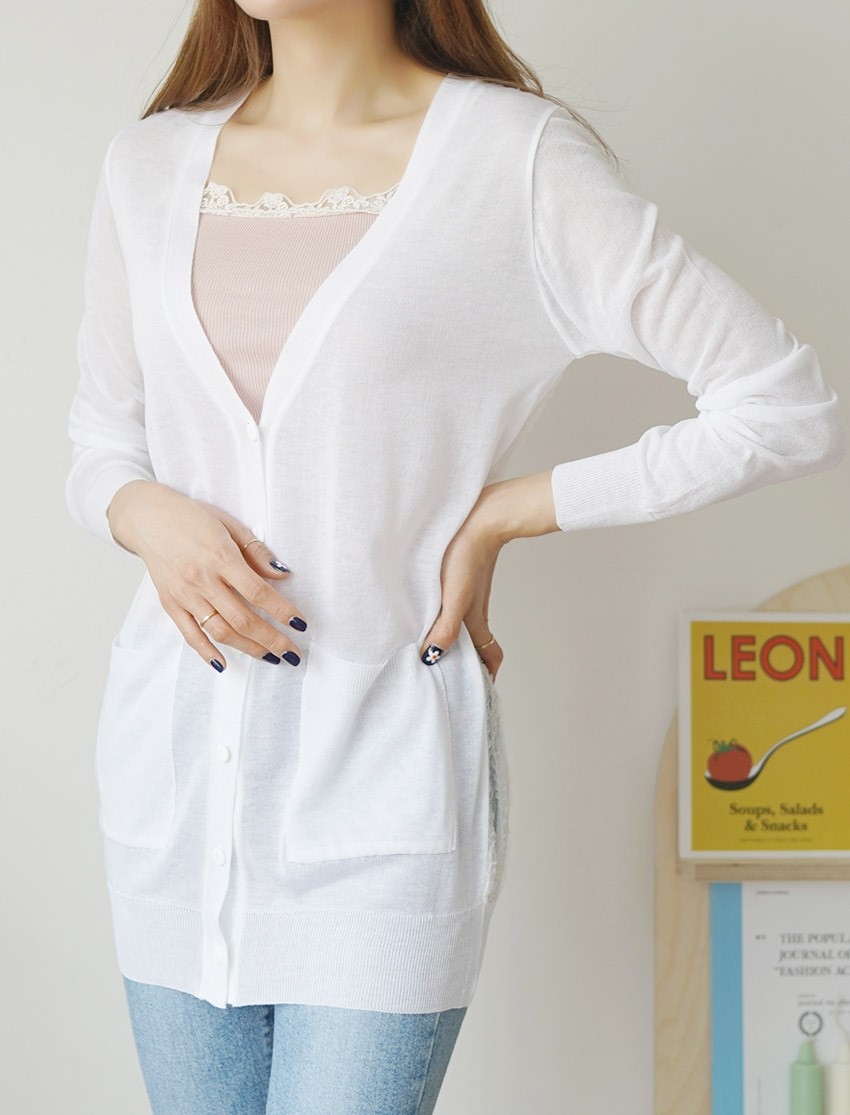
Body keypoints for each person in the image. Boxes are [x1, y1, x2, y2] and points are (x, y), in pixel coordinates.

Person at [64, 1, 847, 1112]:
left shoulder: (511, 162)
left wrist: (510, 511)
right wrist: (145, 511)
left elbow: (785, 408)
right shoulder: (146, 164)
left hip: (383, 799)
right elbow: (100, 438)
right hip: (172, 796)